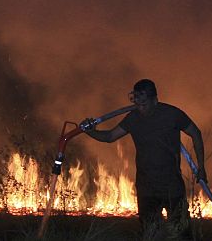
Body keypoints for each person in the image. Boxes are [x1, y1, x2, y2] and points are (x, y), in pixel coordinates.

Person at [82, 79, 205, 240]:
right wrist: (90, 131)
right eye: (137, 102)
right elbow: (110, 136)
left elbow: (195, 133)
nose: (140, 107)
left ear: (155, 100)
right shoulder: (133, 118)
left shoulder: (172, 114)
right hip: (147, 188)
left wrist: (201, 167)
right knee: (150, 233)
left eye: (144, 103)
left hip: (171, 185)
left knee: (181, 232)